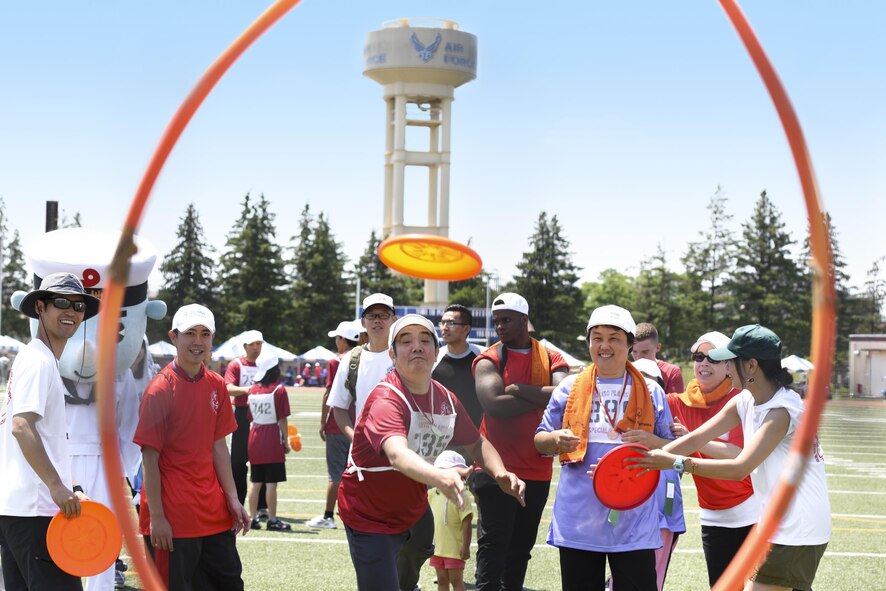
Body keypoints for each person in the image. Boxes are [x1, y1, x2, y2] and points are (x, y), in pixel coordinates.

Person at [628, 324, 831, 591]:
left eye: (728, 360)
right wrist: (645, 461)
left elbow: (740, 468)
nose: (723, 365)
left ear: (751, 366)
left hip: (796, 526)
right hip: (780, 524)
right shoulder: (745, 399)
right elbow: (695, 438)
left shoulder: (781, 411)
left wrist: (675, 463)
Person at [337, 314, 525, 591]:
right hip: (369, 514)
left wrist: (500, 473)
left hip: (412, 507)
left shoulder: (446, 399)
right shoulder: (386, 398)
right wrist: (440, 476)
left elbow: (477, 443)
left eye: (425, 340)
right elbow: (397, 455)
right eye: (406, 341)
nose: (417, 346)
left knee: (422, 543)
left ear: (437, 353)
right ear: (392, 354)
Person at [534, 304, 676, 591]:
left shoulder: (651, 391)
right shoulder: (569, 388)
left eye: (614, 338)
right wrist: (555, 440)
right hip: (579, 521)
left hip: (634, 519)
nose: (604, 345)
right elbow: (540, 441)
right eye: (596, 337)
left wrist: (655, 443)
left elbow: (673, 450)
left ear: (630, 345)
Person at [134, 304, 250, 590]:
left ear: (212, 339)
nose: (197, 341)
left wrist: (233, 498)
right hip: (173, 518)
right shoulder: (160, 389)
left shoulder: (216, 384)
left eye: (205, 334)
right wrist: (157, 518)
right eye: (190, 333)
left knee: (230, 583)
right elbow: (150, 458)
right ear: (174, 337)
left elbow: (218, 446)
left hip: (213, 513)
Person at [0, 273, 98, 590]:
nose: (71, 311)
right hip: (35, 513)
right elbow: (21, 425)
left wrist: (72, 485)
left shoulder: (39, 360)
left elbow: (40, 436)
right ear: (40, 307)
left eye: (78, 305)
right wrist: (57, 487)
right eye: (60, 303)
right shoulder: (39, 361)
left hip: (22, 511)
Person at [472, 292, 569, 591]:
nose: (500, 326)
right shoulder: (489, 358)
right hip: (494, 467)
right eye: (497, 320)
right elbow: (494, 406)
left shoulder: (552, 356)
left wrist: (517, 388)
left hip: (537, 468)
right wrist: (540, 397)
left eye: (507, 320)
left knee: (521, 547)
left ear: (524, 321)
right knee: (493, 544)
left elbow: (564, 397)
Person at [666, 331, 758, 588]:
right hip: (711, 512)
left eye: (713, 358)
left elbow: (738, 452)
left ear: (729, 364)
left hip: (750, 509)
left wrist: (692, 439)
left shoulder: (741, 398)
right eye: (698, 357)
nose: (704, 363)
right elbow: (664, 443)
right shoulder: (677, 402)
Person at [307, 320, 360, 530]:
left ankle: (328, 515)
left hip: (339, 423)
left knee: (335, 473)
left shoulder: (336, 361)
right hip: (359, 422)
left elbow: (329, 393)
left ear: (342, 340)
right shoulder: (365, 358)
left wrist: (322, 420)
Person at [329, 293, 397, 435]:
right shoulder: (351, 359)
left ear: (394, 320)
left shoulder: (406, 356)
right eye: (371, 316)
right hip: (363, 452)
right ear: (363, 322)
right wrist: (356, 441)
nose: (377, 320)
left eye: (384, 315)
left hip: (403, 449)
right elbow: (339, 407)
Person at [246, 351, 292, 532]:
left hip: (255, 437)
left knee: (255, 482)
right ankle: (272, 519)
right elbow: (282, 419)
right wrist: (286, 441)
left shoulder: (252, 389)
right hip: (272, 438)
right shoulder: (279, 390)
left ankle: (252, 518)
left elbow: (250, 417)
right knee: (271, 483)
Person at [224, 330, 268, 517]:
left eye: (259, 343)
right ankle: (239, 502)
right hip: (242, 415)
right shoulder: (236, 364)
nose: (256, 347)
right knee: (238, 462)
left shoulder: (266, 364)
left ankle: (262, 505)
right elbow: (227, 387)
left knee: (263, 461)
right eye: (252, 344)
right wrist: (248, 390)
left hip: (263, 416)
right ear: (245, 346)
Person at [428, 451, 474, 591]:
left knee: (456, 582)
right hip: (437, 549)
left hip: (455, 550)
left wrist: (465, 547)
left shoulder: (462, 497)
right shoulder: (432, 494)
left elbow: (467, 523)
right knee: (442, 581)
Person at [433, 304, 485, 428]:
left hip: (478, 436)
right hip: (442, 435)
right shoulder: (433, 358)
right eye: (442, 323)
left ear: (466, 329)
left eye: (450, 323)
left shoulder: (483, 356)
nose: (444, 328)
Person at [632, 323, 684, 394]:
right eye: (634, 351)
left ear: (658, 347)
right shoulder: (625, 371)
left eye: (645, 352)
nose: (639, 357)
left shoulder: (671, 372)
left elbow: (675, 404)